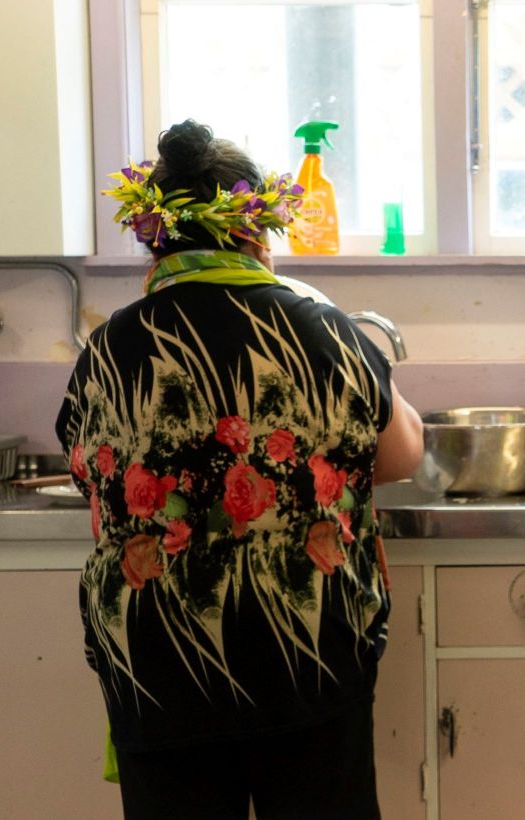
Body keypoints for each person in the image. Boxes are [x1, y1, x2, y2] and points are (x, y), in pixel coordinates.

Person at [56, 119, 424, 819]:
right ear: (257, 231)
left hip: (161, 662)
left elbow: (92, 483)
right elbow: (401, 455)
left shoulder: (108, 348)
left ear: (151, 235)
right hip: (306, 651)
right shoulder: (319, 323)